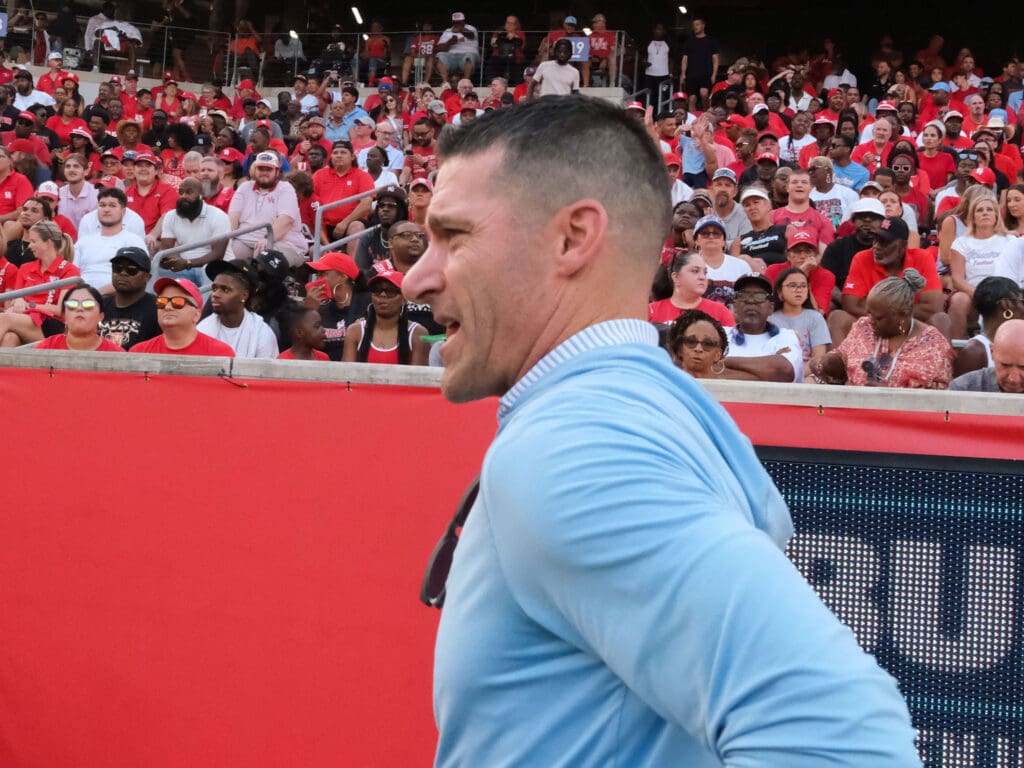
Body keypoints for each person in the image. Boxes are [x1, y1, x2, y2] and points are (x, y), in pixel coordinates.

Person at [403, 96, 920, 768]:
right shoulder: (649, 406)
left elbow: (844, 742)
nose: (419, 276)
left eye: (455, 235)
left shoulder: (576, 445)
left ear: (572, 238)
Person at [810, 269, 953, 388]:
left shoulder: (933, 346)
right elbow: (841, 360)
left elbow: (937, 402)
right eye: (869, 312)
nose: (870, 320)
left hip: (902, 418)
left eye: (878, 318)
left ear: (903, 314)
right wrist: (831, 364)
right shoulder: (863, 327)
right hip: (853, 413)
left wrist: (890, 396)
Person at [0, 221, 79, 347]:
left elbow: (61, 310)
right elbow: (13, 302)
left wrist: (30, 305)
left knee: (3, 318)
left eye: (34, 241)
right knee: (10, 338)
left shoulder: (69, 270)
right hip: (25, 320)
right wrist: (18, 302)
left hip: (52, 325)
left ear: (48, 243)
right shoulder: (25, 268)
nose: (29, 246)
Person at [948, 189, 1013, 338]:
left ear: (996, 216)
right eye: (980, 210)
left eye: (990, 210)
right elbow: (958, 280)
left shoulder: (1009, 241)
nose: (985, 213)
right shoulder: (961, 243)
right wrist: (980, 294)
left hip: (1003, 293)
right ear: (973, 217)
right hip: (973, 295)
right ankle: (955, 348)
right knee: (958, 299)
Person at [228, 151, 308, 266]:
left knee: (263, 256)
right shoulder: (245, 187)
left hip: (283, 243)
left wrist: (268, 239)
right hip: (245, 240)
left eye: (269, 169)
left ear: (277, 172)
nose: (264, 173)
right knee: (228, 257)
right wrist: (228, 239)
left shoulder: (285, 188)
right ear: (255, 170)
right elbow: (233, 217)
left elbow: (286, 220)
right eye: (261, 169)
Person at [721, 273, 804, 382]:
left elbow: (783, 372)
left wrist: (724, 362)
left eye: (759, 295)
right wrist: (768, 369)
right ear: (735, 305)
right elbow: (704, 370)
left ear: (771, 307)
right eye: (744, 295)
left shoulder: (786, 336)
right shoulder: (721, 335)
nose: (751, 300)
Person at [342, 263, 429, 364]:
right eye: (377, 290)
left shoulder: (417, 333)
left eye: (391, 291)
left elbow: (418, 377)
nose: (383, 295)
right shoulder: (355, 331)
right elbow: (347, 376)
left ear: (404, 299)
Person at [155, 177, 231, 291]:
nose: (184, 196)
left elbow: (217, 254)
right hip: (184, 266)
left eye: (189, 192)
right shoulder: (171, 216)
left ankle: (205, 308)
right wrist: (173, 260)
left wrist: (187, 263)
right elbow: (165, 250)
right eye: (181, 192)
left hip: (212, 266)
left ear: (201, 194)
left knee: (208, 273)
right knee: (155, 270)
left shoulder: (218, 216)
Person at [129, 277, 234, 356]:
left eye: (178, 302)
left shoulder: (220, 353)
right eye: (162, 301)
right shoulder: (139, 352)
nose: (168, 307)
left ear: (196, 315)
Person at [197, 260, 279, 358]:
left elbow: (265, 372)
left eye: (225, 290)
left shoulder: (262, 333)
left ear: (244, 295)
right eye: (214, 289)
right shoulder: (203, 328)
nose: (215, 294)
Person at [74, 187, 147, 293]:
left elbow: (136, 277)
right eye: (102, 205)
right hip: (81, 297)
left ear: (123, 211)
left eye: (112, 205)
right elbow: (71, 275)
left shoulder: (133, 241)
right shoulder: (83, 242)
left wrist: (97, 294)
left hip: (117, 296)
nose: (106, 209)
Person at [648, 250, 735, 327]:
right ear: (676, 277)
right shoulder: (651, 311)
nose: (702, 277)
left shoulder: (720, 311)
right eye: (695, 271)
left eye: (705, 272)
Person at [768, 266, 831, 371]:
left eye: (803, 286)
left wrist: (797, 374)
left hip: (810, 371)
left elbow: (818, 358)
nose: (799, 290)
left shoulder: (815, 318)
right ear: (780, 292)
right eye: (792, 285)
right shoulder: (770, 320)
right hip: (778, 372)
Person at [99, 246, 160, 348]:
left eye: (132, 270)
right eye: (117, 268)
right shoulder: (100, 305)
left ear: (147, 277)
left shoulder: (157, 308)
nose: (123, 273)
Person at [36, 284, 125, 351]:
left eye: (88, 304)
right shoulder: (45, 348)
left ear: (101, 316)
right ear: (64, 316)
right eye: (72, 305)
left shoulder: (116, 354)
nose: (79, 308)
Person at [950, 318, 1024, 393]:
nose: (1013, 379)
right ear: (992, 352)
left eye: (1023, 368)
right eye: (1005, 365)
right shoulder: (962, 390)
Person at [664, 308, 729, 377]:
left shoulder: (731, 386)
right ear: (680, 348)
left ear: (718, 355)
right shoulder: (664, 384)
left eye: (707, 344)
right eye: (691, 341)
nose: (698, 349)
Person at [679, 17, 718, 111]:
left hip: (706, 74)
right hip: (691, 75)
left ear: (703, 26)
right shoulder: (689, 42)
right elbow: (685, 59)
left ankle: (706, 115)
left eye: (697, 24)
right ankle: (692, 121)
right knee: (692, 99)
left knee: (704, 93)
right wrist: (683, 74)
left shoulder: (711, 41)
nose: (695, 27)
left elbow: (715, 59)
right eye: (694, 25)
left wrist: (714, 75)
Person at [435, 12, 479, 82]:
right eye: (455, 23)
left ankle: (465, 81)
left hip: (467, 54)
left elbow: (471, 35)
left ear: (463, 21)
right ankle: (445, 82)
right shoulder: (448, 31)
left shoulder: (471, 28)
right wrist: (449, 42)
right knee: (439, 55)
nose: (457, 24)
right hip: (452, 56)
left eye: (459, 22)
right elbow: (439, 48)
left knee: (469, 56)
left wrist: (460, 30)